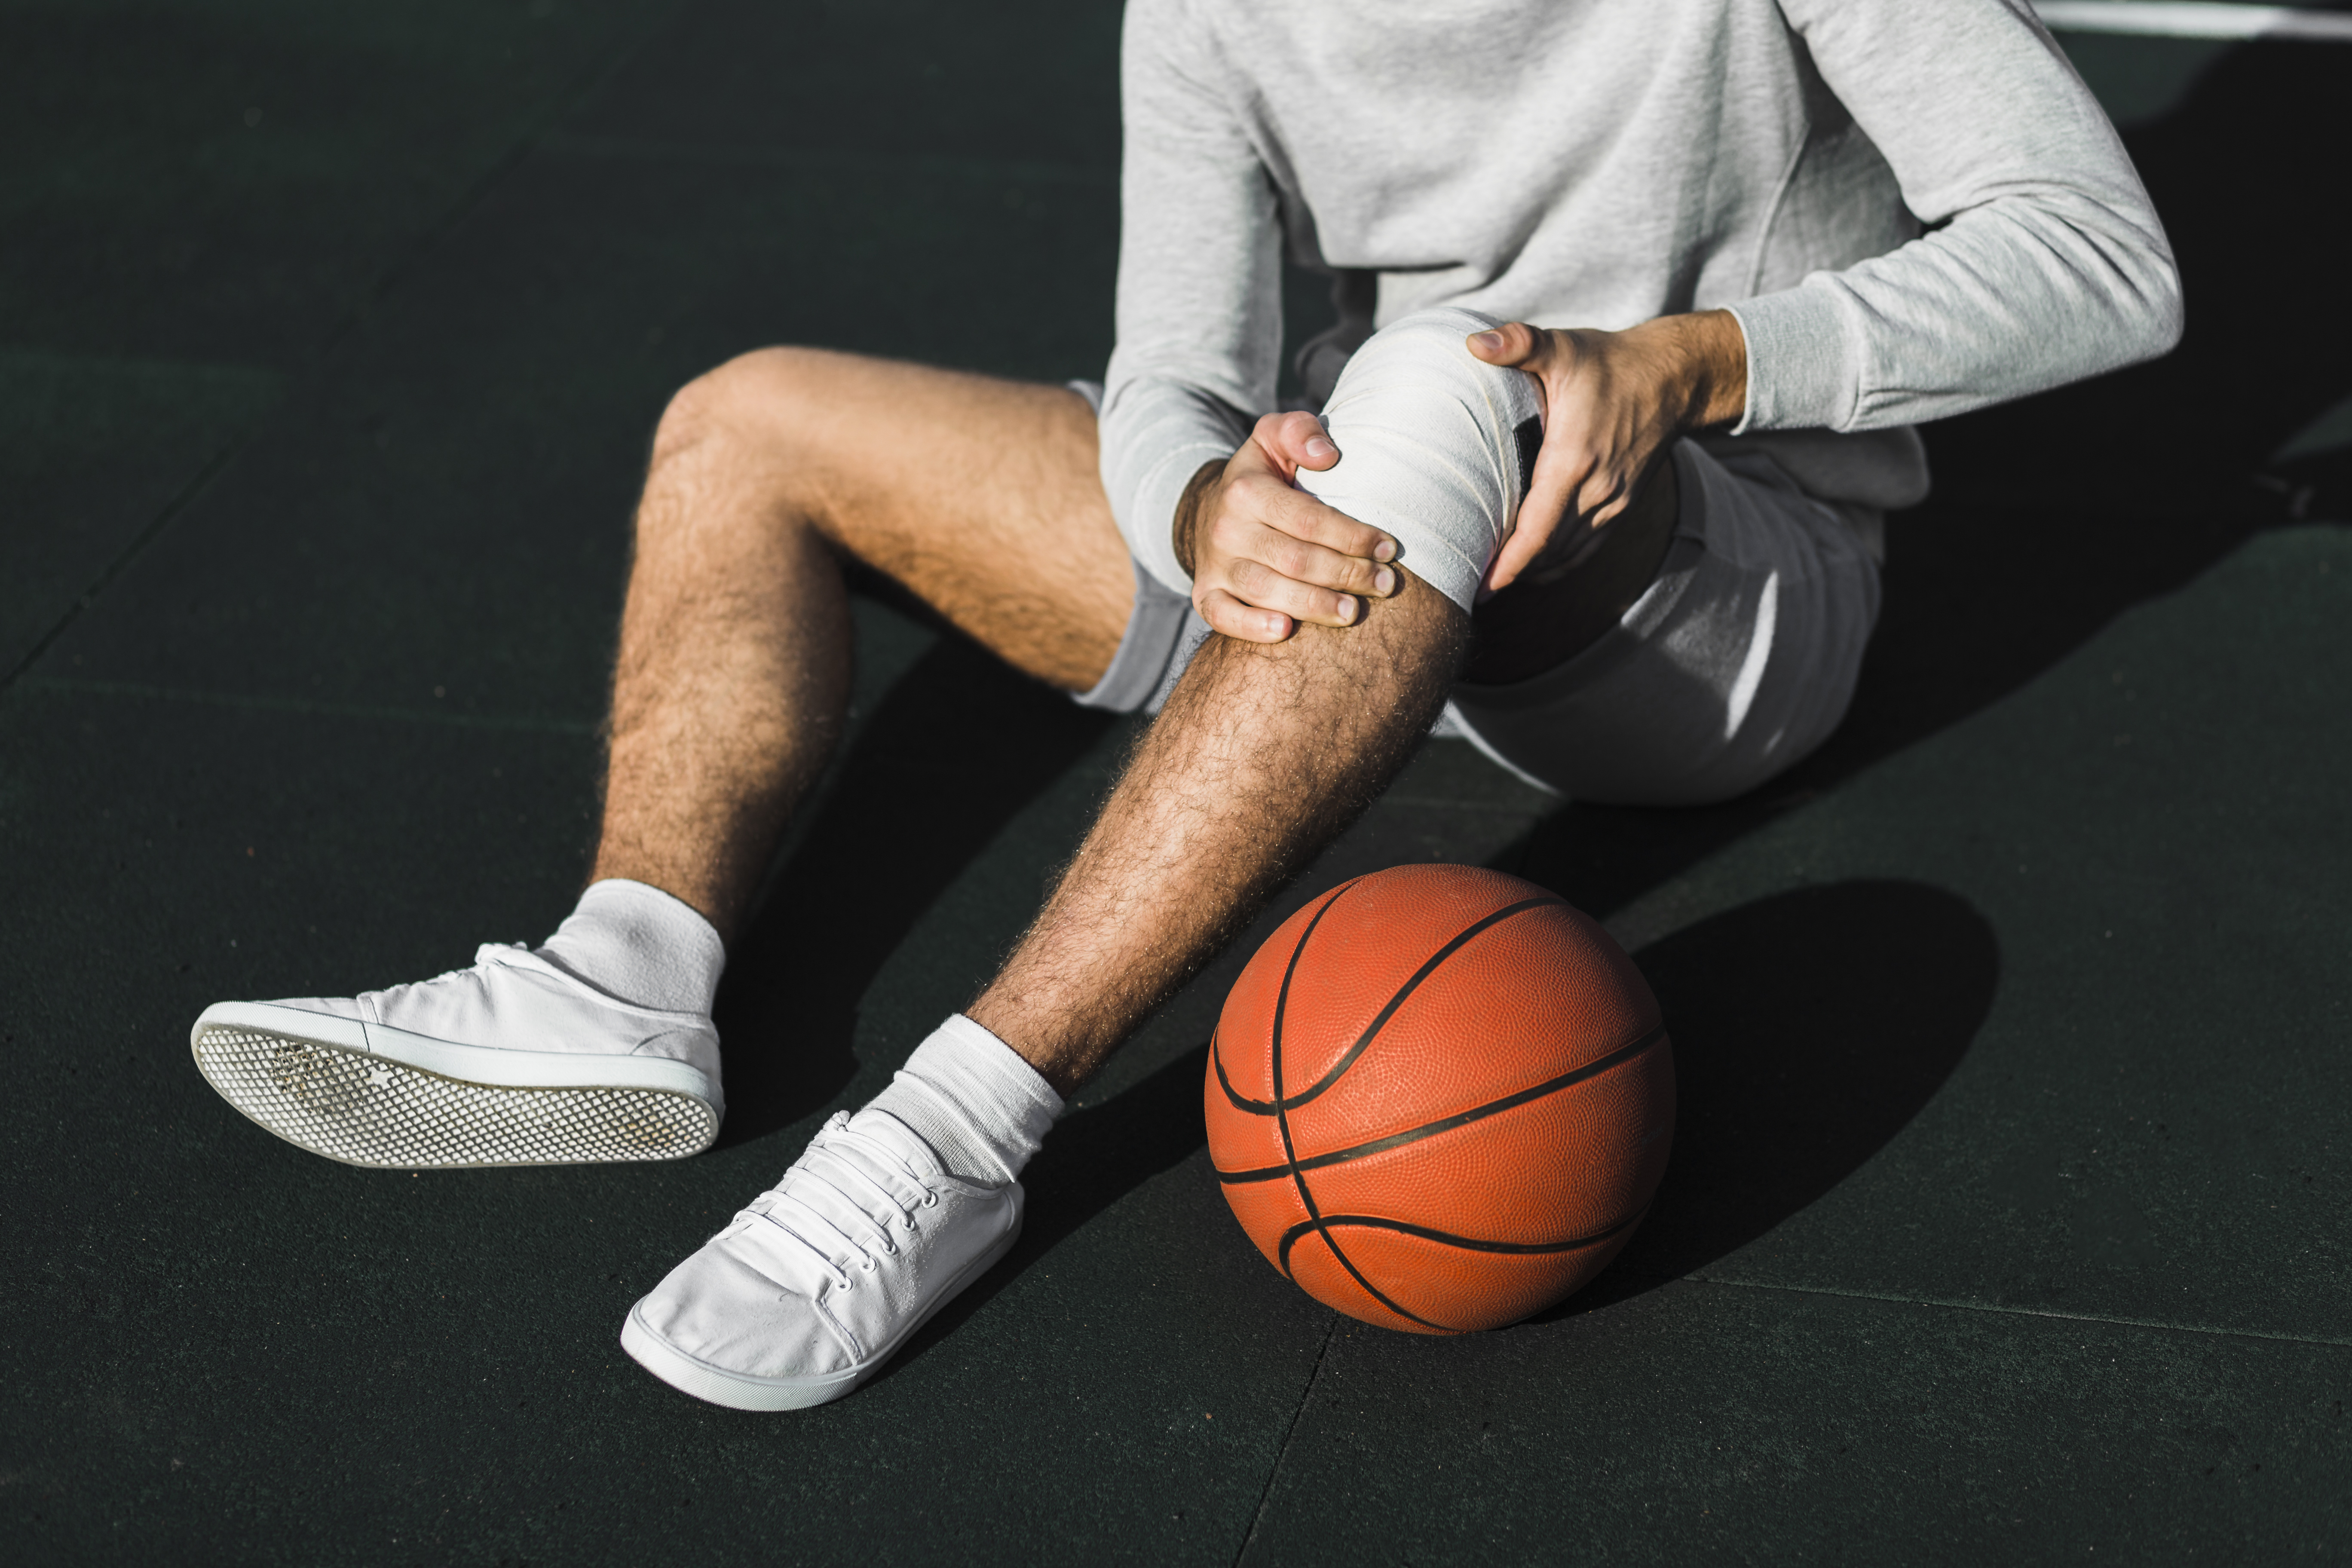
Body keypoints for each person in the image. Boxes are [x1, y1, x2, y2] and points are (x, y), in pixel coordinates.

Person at [189, 0, 2179, 1411]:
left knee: (1436, 378)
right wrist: (1203, 501)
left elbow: (2108, 260)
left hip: (1703, 610)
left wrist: (1702, 361)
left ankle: (950, 1140)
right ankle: (622, 969)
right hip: (1358, 564)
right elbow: (1172, 372)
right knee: (752, 415)